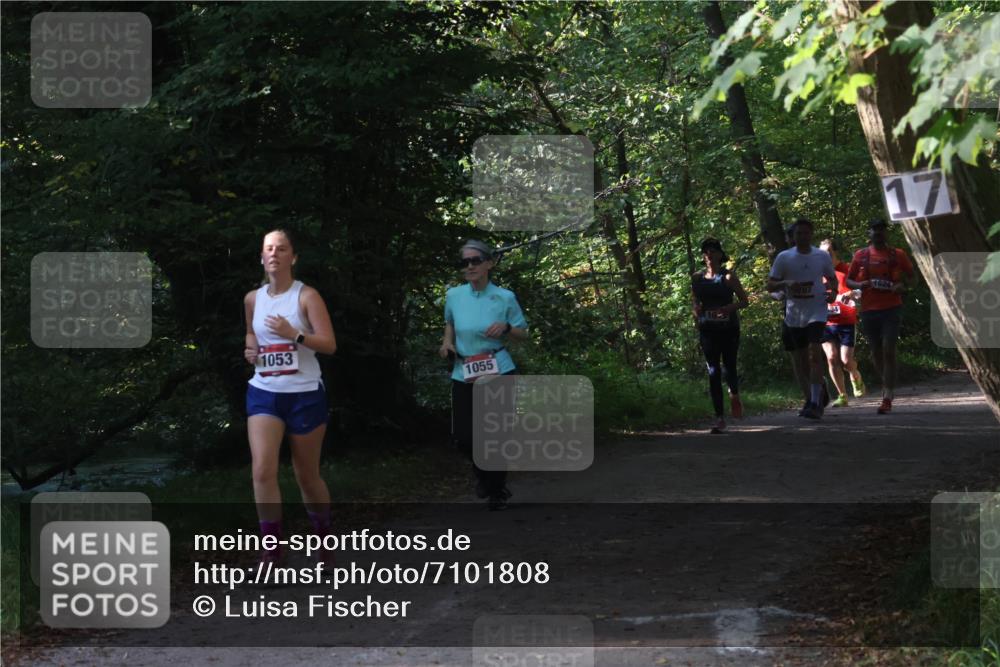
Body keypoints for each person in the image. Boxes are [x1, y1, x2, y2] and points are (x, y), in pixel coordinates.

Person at [243, 229, 337, 564]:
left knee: (306, 476)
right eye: (268, 249)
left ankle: (324, 544)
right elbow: (252, 333)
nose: (274, 254)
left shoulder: (306, 296)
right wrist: (251, 349)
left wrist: (294, 334)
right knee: (262, 470)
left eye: (281, 249)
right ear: (261, 257)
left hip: (305, 393)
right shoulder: (253, 299)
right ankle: (272, 553)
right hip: (264, 392)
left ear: (292, 258)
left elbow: (329, 344)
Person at [439, 240, 528, 511]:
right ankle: (485, 477)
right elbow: (450, 323)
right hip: (463, 371)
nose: (469, 267)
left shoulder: (505, 297)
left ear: (489, 263)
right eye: (464, 262)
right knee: (465, 437)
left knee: (497, 434)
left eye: (475, 261)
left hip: (498, 368)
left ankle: (496, 490)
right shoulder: (454, 295)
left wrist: (507, 327)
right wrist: (447, 344)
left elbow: (524, 334)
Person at [767, 218, 837, 419]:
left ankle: (815, 404)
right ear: (793, 236)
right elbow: (770, 285)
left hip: (817, 310)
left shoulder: (821, 256)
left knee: (816, 353)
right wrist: (787, 282)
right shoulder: (784, 258)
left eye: (806, 233)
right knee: (802, 360)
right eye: (799, 234)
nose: (803, 237)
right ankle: (816, 392)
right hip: (795, 314)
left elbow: (832, 279)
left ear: (811, 234)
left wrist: (833, 292)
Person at [846, 218, 915, 414]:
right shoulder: (860, 255)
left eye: (881, 230)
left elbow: (913, 278)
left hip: (892, 308)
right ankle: (887, 383)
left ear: (886, 233)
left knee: (888, 349)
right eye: (874, 230)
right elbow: (849, 280)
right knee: (876, 351)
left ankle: (887, 394)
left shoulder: (898, 254)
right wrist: (860, 285)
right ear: (869, 233)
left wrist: (903, 286)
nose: (878, 233)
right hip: (869, 310)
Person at [691, 238, 749, 433]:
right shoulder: (697, 278)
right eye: (705, 251)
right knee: (713, 371)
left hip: (729, 329)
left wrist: (728, 308)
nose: (709, 254)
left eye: (713, 251)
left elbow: (744, 301)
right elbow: (695, 302)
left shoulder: (728, 277)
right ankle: (719, 418)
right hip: (707, 329)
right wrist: (696, 311)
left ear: (719, 255)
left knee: (729, 367)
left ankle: (734, 394)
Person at [819, 238, 866, 406]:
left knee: (846, 361)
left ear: (835, 252)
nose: (825, 256)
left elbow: (861, 289)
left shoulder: (846, 269)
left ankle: (855, 375)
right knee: (831, 358)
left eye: (829, 252)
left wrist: (852, 293)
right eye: (822, 253)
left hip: (846, 321)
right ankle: (842, 395)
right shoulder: (817, 274)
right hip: (826, 322)